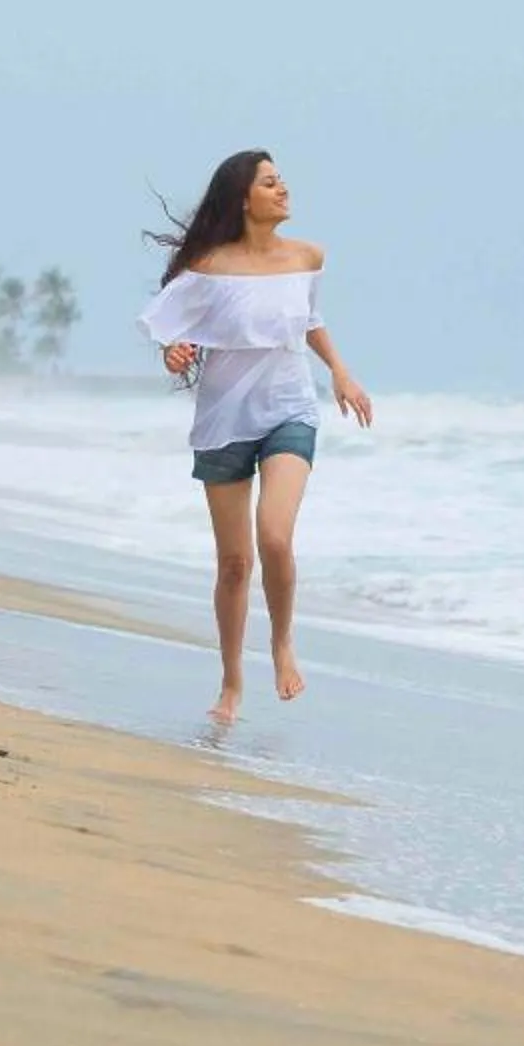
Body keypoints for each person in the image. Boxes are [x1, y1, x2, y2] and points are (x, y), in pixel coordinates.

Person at [140, 149, 373, 724]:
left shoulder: (307, 257)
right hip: (224, 420)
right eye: (270, 183)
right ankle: (231, 684)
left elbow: (310, 319)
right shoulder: (209, 267)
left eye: (282, 179)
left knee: (274, 536)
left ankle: (283, 642)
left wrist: (340, 372)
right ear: (244, 198)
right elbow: (170, 336)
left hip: (290, 409)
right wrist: (174, 355)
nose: (283, 188)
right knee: (235, 565)